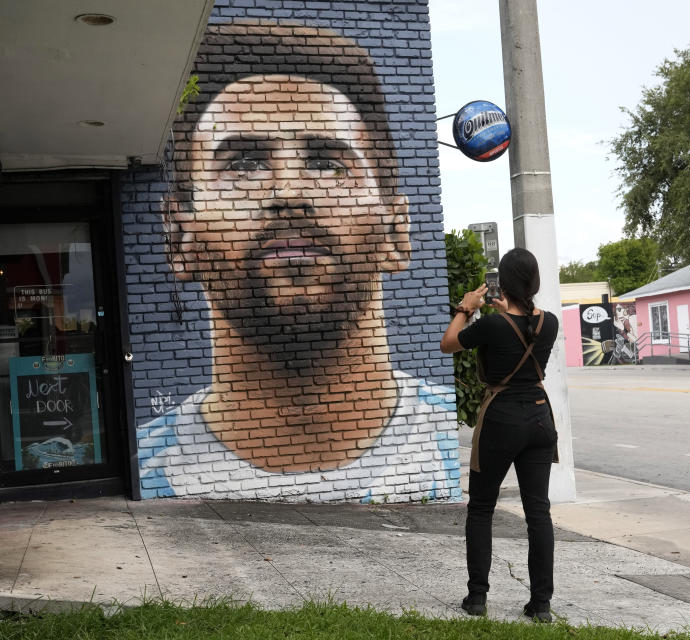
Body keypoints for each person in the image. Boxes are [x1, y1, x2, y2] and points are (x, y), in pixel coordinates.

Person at [137, 21, 459, 502]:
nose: (288, 193)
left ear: (396, 229)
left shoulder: (448, 452)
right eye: (243, 163)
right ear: (179, 236)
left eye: (328, 161)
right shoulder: (143, 469)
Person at [440, 248, 560, 622]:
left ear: (502, 284)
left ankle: (477, 598)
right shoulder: (551, 322)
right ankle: (541, 605)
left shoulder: (492, 325)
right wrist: (500, 314)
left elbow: (449, 343)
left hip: (502, 419)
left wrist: (465, 308)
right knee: (538, 512)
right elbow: (519, 331)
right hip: (540, 417)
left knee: (481, 509)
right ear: (535, 282)